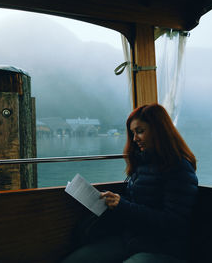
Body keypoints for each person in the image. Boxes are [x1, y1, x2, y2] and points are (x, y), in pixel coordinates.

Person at [62, 103, 198, 263]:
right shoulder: (142, 163)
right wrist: (114, 201)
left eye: (140, 131)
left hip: (164, 247)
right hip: (132, 239)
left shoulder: (179, 167)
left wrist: (123, 206)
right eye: (133, 133)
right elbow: (137, 204)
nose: (134, 139)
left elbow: (174, 223)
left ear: (159, 131)